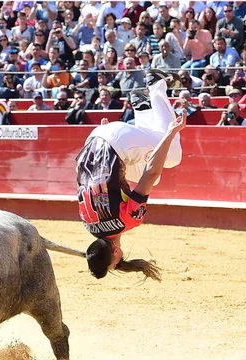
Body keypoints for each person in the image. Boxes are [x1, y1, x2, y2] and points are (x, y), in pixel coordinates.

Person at [76, 70, 186, 280]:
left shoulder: (128, 220)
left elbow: (151, 172)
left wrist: (171, 132)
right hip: (93, 142)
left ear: (116, 253)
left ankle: (156, 86)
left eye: (114, 265)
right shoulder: (87, 222)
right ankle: (143, 108)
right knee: (157, 171)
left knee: (171, 155)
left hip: (117, 144)